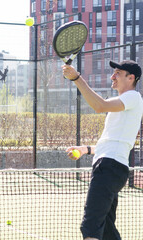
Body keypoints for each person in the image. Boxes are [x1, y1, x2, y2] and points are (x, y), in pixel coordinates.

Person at [63, 60, 143, 240]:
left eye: (118, 73)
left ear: (131, 78)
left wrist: (76, 78)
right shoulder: (122, 104)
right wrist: (85, 149)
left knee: (90, 226)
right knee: (106, 229)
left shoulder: (133, 97)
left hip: (109, 168)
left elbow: (99, 105)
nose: (112, 76)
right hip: (111, 167)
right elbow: (113, 141)